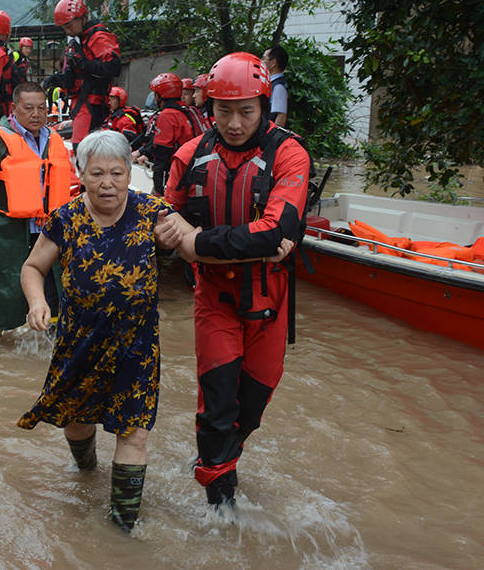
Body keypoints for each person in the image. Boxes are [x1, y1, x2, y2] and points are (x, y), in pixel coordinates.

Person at [18, 130, 188, 533]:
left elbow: (190, 240)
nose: (106, 183)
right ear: (81, 173)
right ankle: (86, 470)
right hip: (80, 341)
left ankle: (122, 527)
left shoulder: (154, 213)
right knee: (76, 420)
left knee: (133, 433)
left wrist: (178, 236)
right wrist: (38, 302)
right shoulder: (66, 218)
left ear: (130, 173)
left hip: (137, 346)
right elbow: (32, 267)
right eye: (96, 173)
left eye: (116, 172)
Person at [164, 51, 310, 511]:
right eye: (223, 110)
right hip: (215, 297)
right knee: (217, 401)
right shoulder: (190, 156)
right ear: (209, 108)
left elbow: (278, 229)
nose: (233, 122)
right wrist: (179, 235)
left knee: (252, 407)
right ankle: (219, 504)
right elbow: (165, 218)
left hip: (270, 299)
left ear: (263, 105)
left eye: (246, 110)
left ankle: (222, 457)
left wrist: (197, 243)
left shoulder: (289, 152)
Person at [0, 82, 75, 336]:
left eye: (41, 108)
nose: (36, 114)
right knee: (3, 288)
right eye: (29, 108)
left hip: (46, 230)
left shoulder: (54, 139)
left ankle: (48, 348)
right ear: (14, 109)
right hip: (5, 231)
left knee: (52, 288)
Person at [45, 0, 120, 144]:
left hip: (92, 104)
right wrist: (58, 79)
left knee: (82, 148)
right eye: (64, 28)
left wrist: (84, 64)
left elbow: (113, 67)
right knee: (81, 148)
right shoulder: (79, 39)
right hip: (81, 104)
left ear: (82, 18)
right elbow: (76, 74)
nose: (67, 31)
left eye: (69, 26)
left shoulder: (98, 36)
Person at [133, 72, 202, 195]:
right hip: (196, 168)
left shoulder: (167, 115)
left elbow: (162, 154)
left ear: (159, 95)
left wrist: (158, 188)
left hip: (178, 171)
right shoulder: (191, 110)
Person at [262, 45, 289, 127]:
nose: (261, 61)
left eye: (264, 58)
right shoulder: (272, 83)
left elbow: (281, 116)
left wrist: (273, 138)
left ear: (273, 62)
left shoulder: (278, 87)